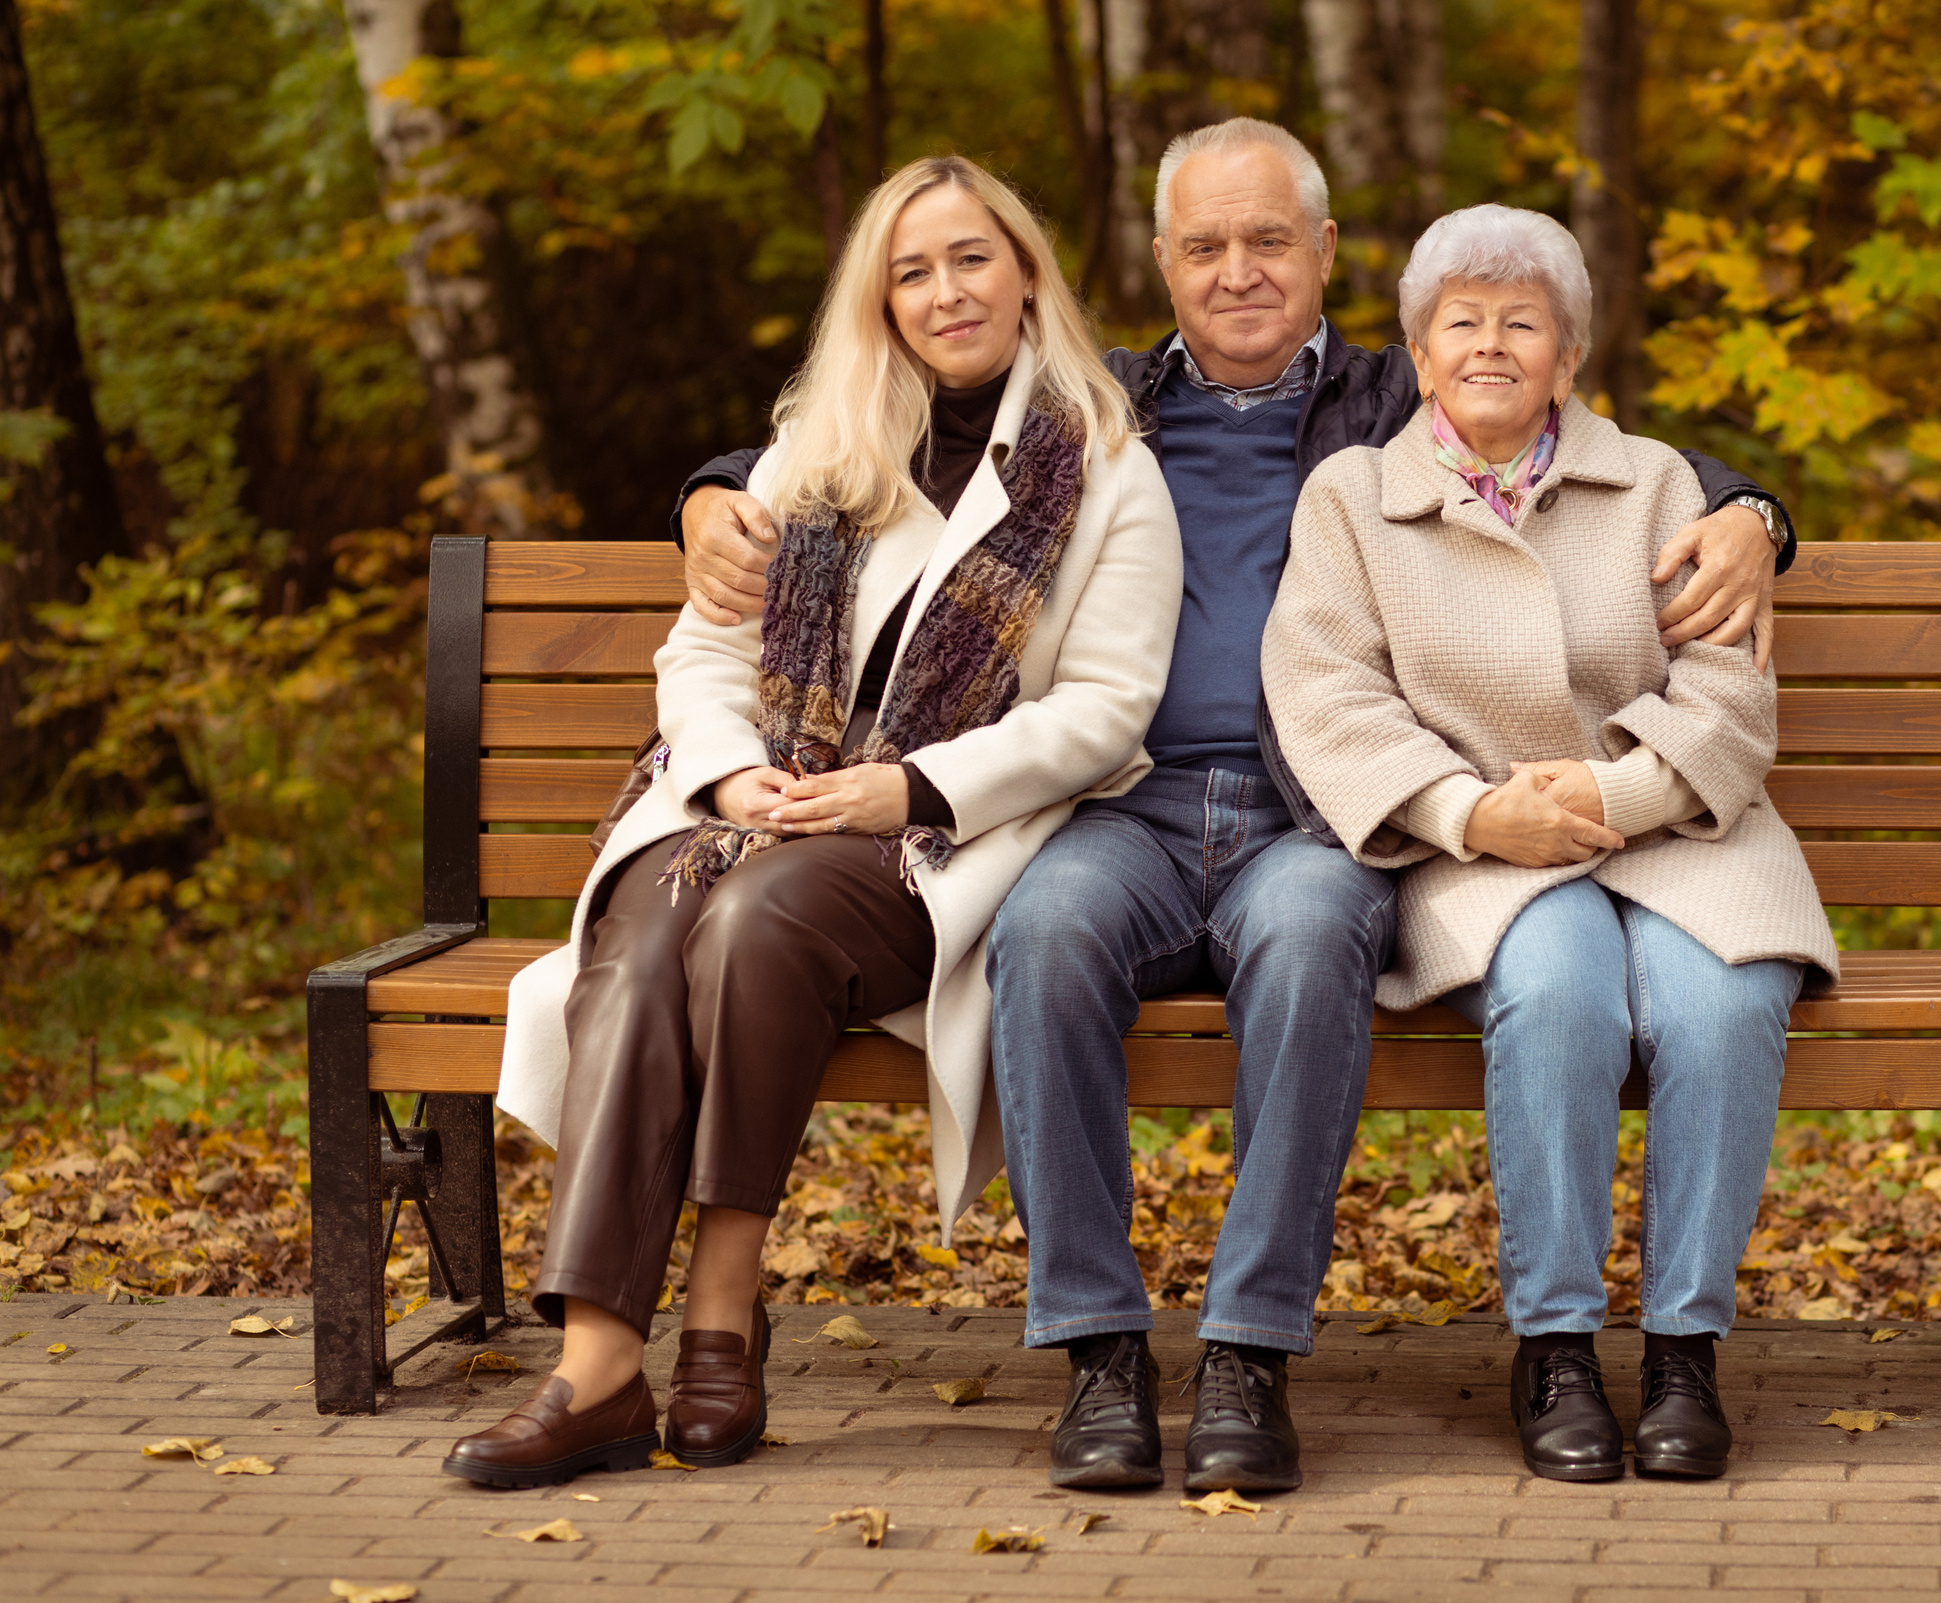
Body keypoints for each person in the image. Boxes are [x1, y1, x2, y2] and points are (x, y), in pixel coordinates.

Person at [669, 119, 1799, 1498]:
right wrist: (714, 485)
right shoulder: (1098, 406)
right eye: (1205, 245)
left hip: (1320, 813)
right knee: (1044, 939)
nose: (1239, 271)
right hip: (1121, 799)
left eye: (1271, 240)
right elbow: (889, 418)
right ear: (1162, 262)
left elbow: (1568, 432)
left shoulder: (1400, 397)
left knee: (1313, 942)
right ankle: (1097, 1349)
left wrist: (1753, 512)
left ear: (1325, 253)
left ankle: (1249, 1353)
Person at [447, 155, 1181, 1490]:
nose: (946, 290)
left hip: (937, 839)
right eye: (911, 270)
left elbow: (1110, 711)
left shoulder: (1108, 462)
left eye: (971, 257)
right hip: (757, 801)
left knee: (758, 912)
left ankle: (723, 1298)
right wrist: (733, 781)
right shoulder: (818, 446)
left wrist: (899, 787)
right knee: (653, 912)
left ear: (1025, 271)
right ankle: (602, 1361)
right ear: (881, 300)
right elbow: (702, 660)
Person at [1262, 204, 1839, 1485]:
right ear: (1416, 355)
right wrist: (1468, 813)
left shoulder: (1660, 488)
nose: (1489, 345)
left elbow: (1729, 700)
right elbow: (1327, 695)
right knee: (1562, 992)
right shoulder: (1354, 498)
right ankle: (1559, 1345)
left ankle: (1685, 1349)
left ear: (1567, 360)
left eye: (1522, 324)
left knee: (1727, 1000)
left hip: (1678, 828)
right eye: (1459, 322)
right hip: (1478, 847)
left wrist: (1611, 791)